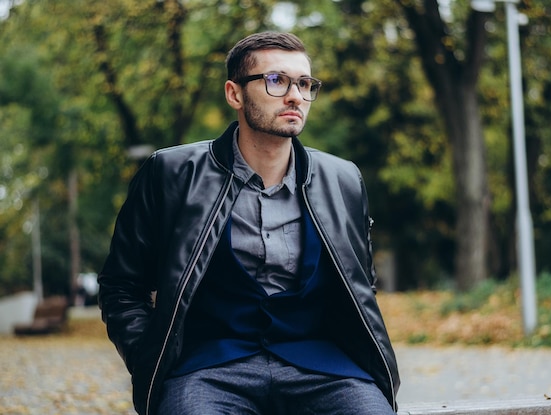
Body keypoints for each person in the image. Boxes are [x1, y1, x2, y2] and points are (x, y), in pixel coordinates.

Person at [98, 31, 400, 415]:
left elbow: (360, 282)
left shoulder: (342, 180)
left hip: (324, 367)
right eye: (276, 81)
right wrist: (148, 358)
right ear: (234, 94)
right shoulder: (171, 173)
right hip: (206, 369)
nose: (295, 96)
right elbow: (121, 286)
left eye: (305, 84)